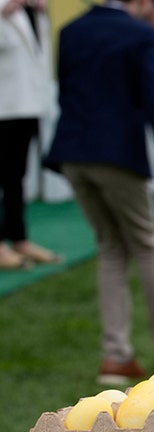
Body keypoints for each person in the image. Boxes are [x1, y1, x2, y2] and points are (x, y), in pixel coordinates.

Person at [44, 0, 154, 385]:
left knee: (111, 247)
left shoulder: (70, 31)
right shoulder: (139, 34)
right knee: (145, 243)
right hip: (116, 156)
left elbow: (66, 92)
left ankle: (115, 357)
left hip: (73, 154)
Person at [0, 0, 58, 269]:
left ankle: (19, 238)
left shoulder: (32, 11)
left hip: (27, 105)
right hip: (4, 107)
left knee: (16, 176)